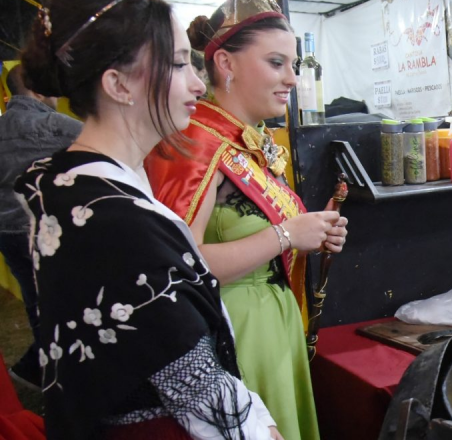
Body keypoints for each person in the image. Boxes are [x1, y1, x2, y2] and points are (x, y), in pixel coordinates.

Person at [16, 0, 284, 438]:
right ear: (119, 84)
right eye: (179, 65)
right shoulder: (114, 218)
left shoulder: (72, 186)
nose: (198, 85)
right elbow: (196, 385)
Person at [145, 1, 346, 439]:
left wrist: (310, 233)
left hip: (274, 323)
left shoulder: (247, 141)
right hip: (234, 330)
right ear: (225, 63)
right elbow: (178, 266)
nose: (292, 78)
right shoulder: (197, 143)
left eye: (292, 64)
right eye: (276, 63)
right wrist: (287, 233)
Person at [0, 64, 82, 388]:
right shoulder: (54, 124)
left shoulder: (2, 126)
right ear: (36, 89)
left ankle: (42, 370)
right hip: (42, 229)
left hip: (6, 230)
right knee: (65, 303)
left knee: (36, 303)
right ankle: (58, 374)